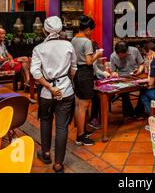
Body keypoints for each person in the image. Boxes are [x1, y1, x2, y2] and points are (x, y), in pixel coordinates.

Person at [30, 16, 77, 173]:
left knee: (45, 120)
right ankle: (58, 164)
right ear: (60, 30)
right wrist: (65, 82)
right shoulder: (68, 45)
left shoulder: (39, 49)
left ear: (45, 30)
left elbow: (35, 73)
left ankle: (46, 153)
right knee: (62, 126)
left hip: (46, 92)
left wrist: (50, 87)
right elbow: (74, 68)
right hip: (66, 90)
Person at [71, 15, 104, 145]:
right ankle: (80, 136)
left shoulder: (74, 39)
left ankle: (82, 129)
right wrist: (98, 54)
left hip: (77, 72)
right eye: (92, 30)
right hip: (85, 73)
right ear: (88, 29)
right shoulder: (86, 41)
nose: (92, 33)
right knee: (83, 106)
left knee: (79, 103)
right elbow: (89, 61)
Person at [109, 41, 145, 117]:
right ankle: (129, 113)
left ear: (127, 51)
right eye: (119, 55)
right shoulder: (113, 56)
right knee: (123, 91)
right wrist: (114, 74)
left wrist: (139, 71)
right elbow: (113, 71)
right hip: (122, 77)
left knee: (144, 88)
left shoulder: (134, 51)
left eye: (123, 55)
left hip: (136, 75)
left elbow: (141, 64)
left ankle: (139, 111)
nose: (120, 56)